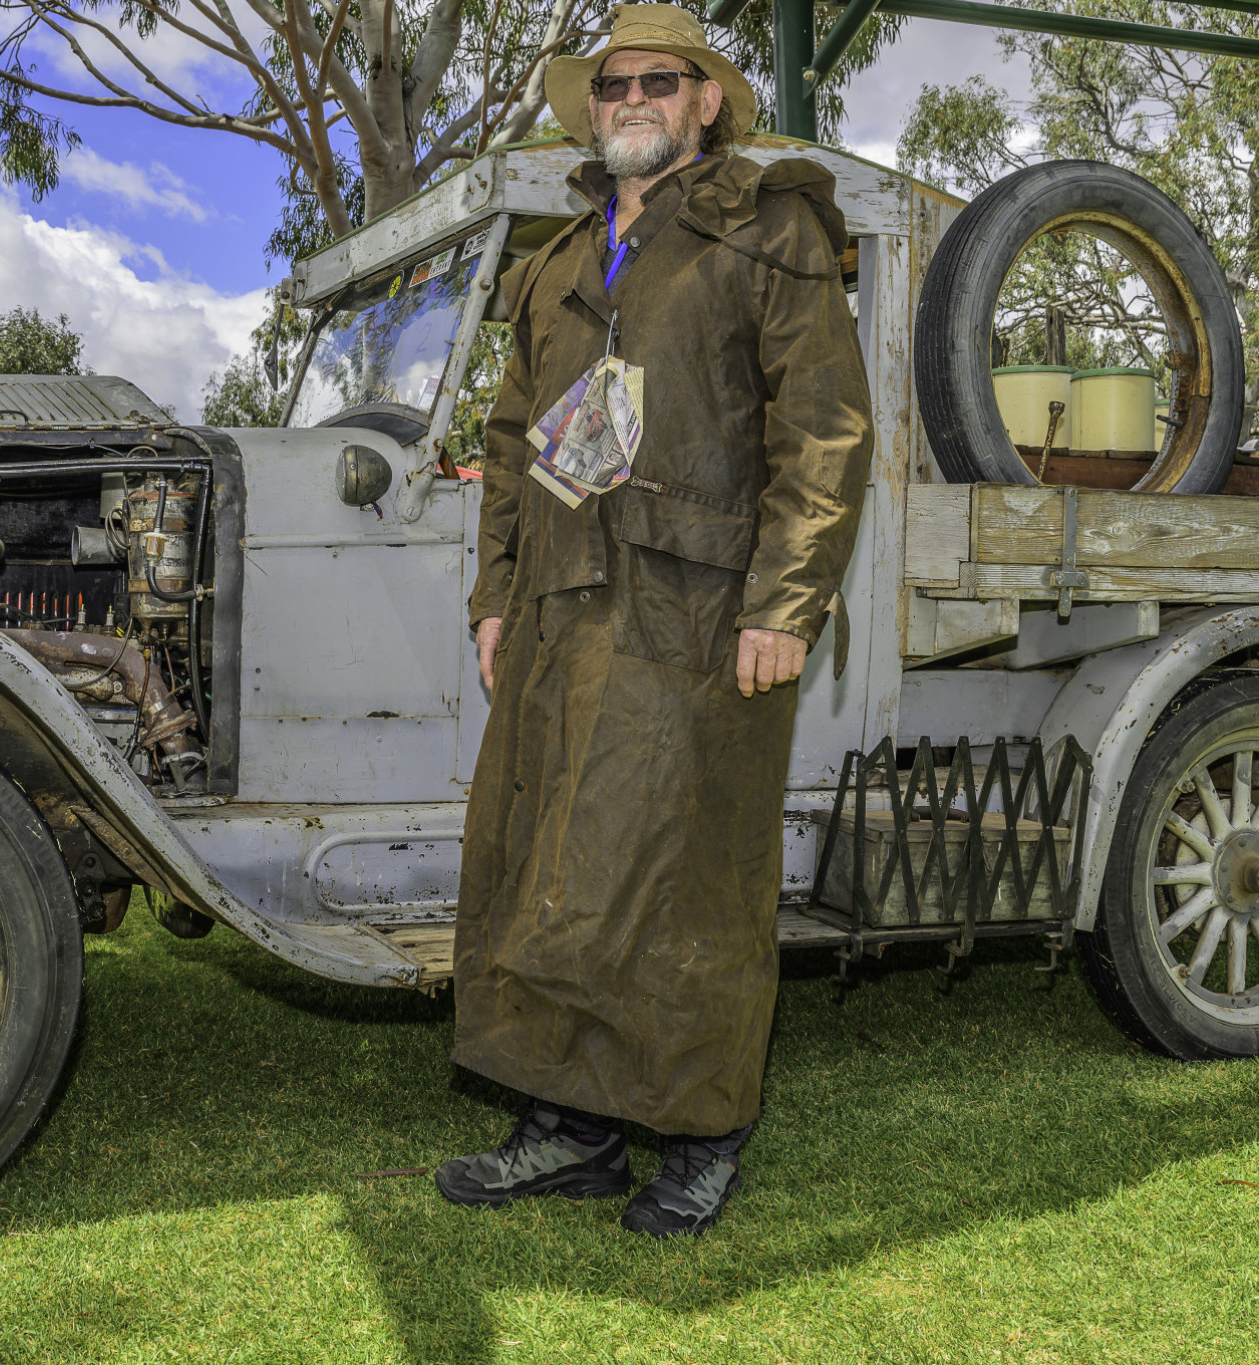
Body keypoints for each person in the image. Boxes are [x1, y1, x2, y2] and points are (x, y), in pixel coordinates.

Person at [435, 5, 876, 1236]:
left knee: (686, 878)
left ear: (702, 102)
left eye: (656, 80)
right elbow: (514, 445)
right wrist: (491, 596)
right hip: (559, 608)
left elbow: (825, 433)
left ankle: (700, 1129)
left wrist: (783, 605)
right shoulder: (554, 264)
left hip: (700, 613)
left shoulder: (765, 226)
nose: (628, 96)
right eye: (611, 83)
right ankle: (570, 1129)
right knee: (550, 867)